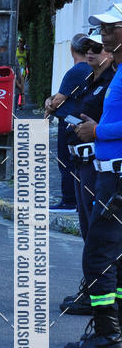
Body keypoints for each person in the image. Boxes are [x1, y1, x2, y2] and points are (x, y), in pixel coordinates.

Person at [64, 5, 122, 348]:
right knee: (113, 256)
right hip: (110, 175)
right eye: (102, 29)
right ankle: (114, 329)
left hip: (116, 179)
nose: (104, 36)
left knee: (98, 254)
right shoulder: (118, 71)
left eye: (111, 29)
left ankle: (107, 334)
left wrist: (97, 131)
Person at [60, 34, 115, 315]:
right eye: (87, 48)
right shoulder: (88, 81)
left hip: (98, 165)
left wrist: (95, 130)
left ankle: (100, 297)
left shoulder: (112, 82)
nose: (90, 52)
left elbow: (105, 123)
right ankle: (92, 290)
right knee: (87, 231)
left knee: (98, 237)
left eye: (97, 48)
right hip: (81, 162)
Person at [44, 33, 92, 212]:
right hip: (81, 119)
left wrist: (48, 106)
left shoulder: (76, 71)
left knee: (65, 160)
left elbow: (58, 100)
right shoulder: (90, 69)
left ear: (72, 49)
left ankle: (69, 200)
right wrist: (51, 100)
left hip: (68, 119)